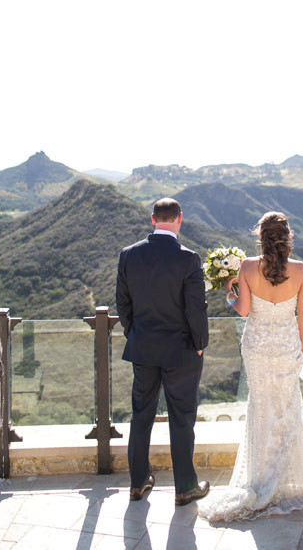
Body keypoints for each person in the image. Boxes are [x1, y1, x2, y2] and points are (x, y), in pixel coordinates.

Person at [199, 211, 303, 522]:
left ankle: (259, 478)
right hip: (287, 346)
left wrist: (228, 292)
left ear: (260, 237)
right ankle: (285, 480)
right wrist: (301, 347)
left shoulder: (248, 267)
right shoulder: (301, 270)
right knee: (287, 407)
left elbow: (243, 310)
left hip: (258, 348)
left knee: (261, 407)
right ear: (287, 237)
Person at [115, 197, 210, 505]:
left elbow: (123, 303)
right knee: (181, 417)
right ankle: (185, 486)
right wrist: (199, 344)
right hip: (181, 351)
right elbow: (196, 309)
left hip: (143, 348)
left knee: (141, 414)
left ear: (153, 219)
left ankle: (138, 482)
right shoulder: (189, 258)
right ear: (179, 219)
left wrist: (134, 333)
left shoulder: (128, 255)